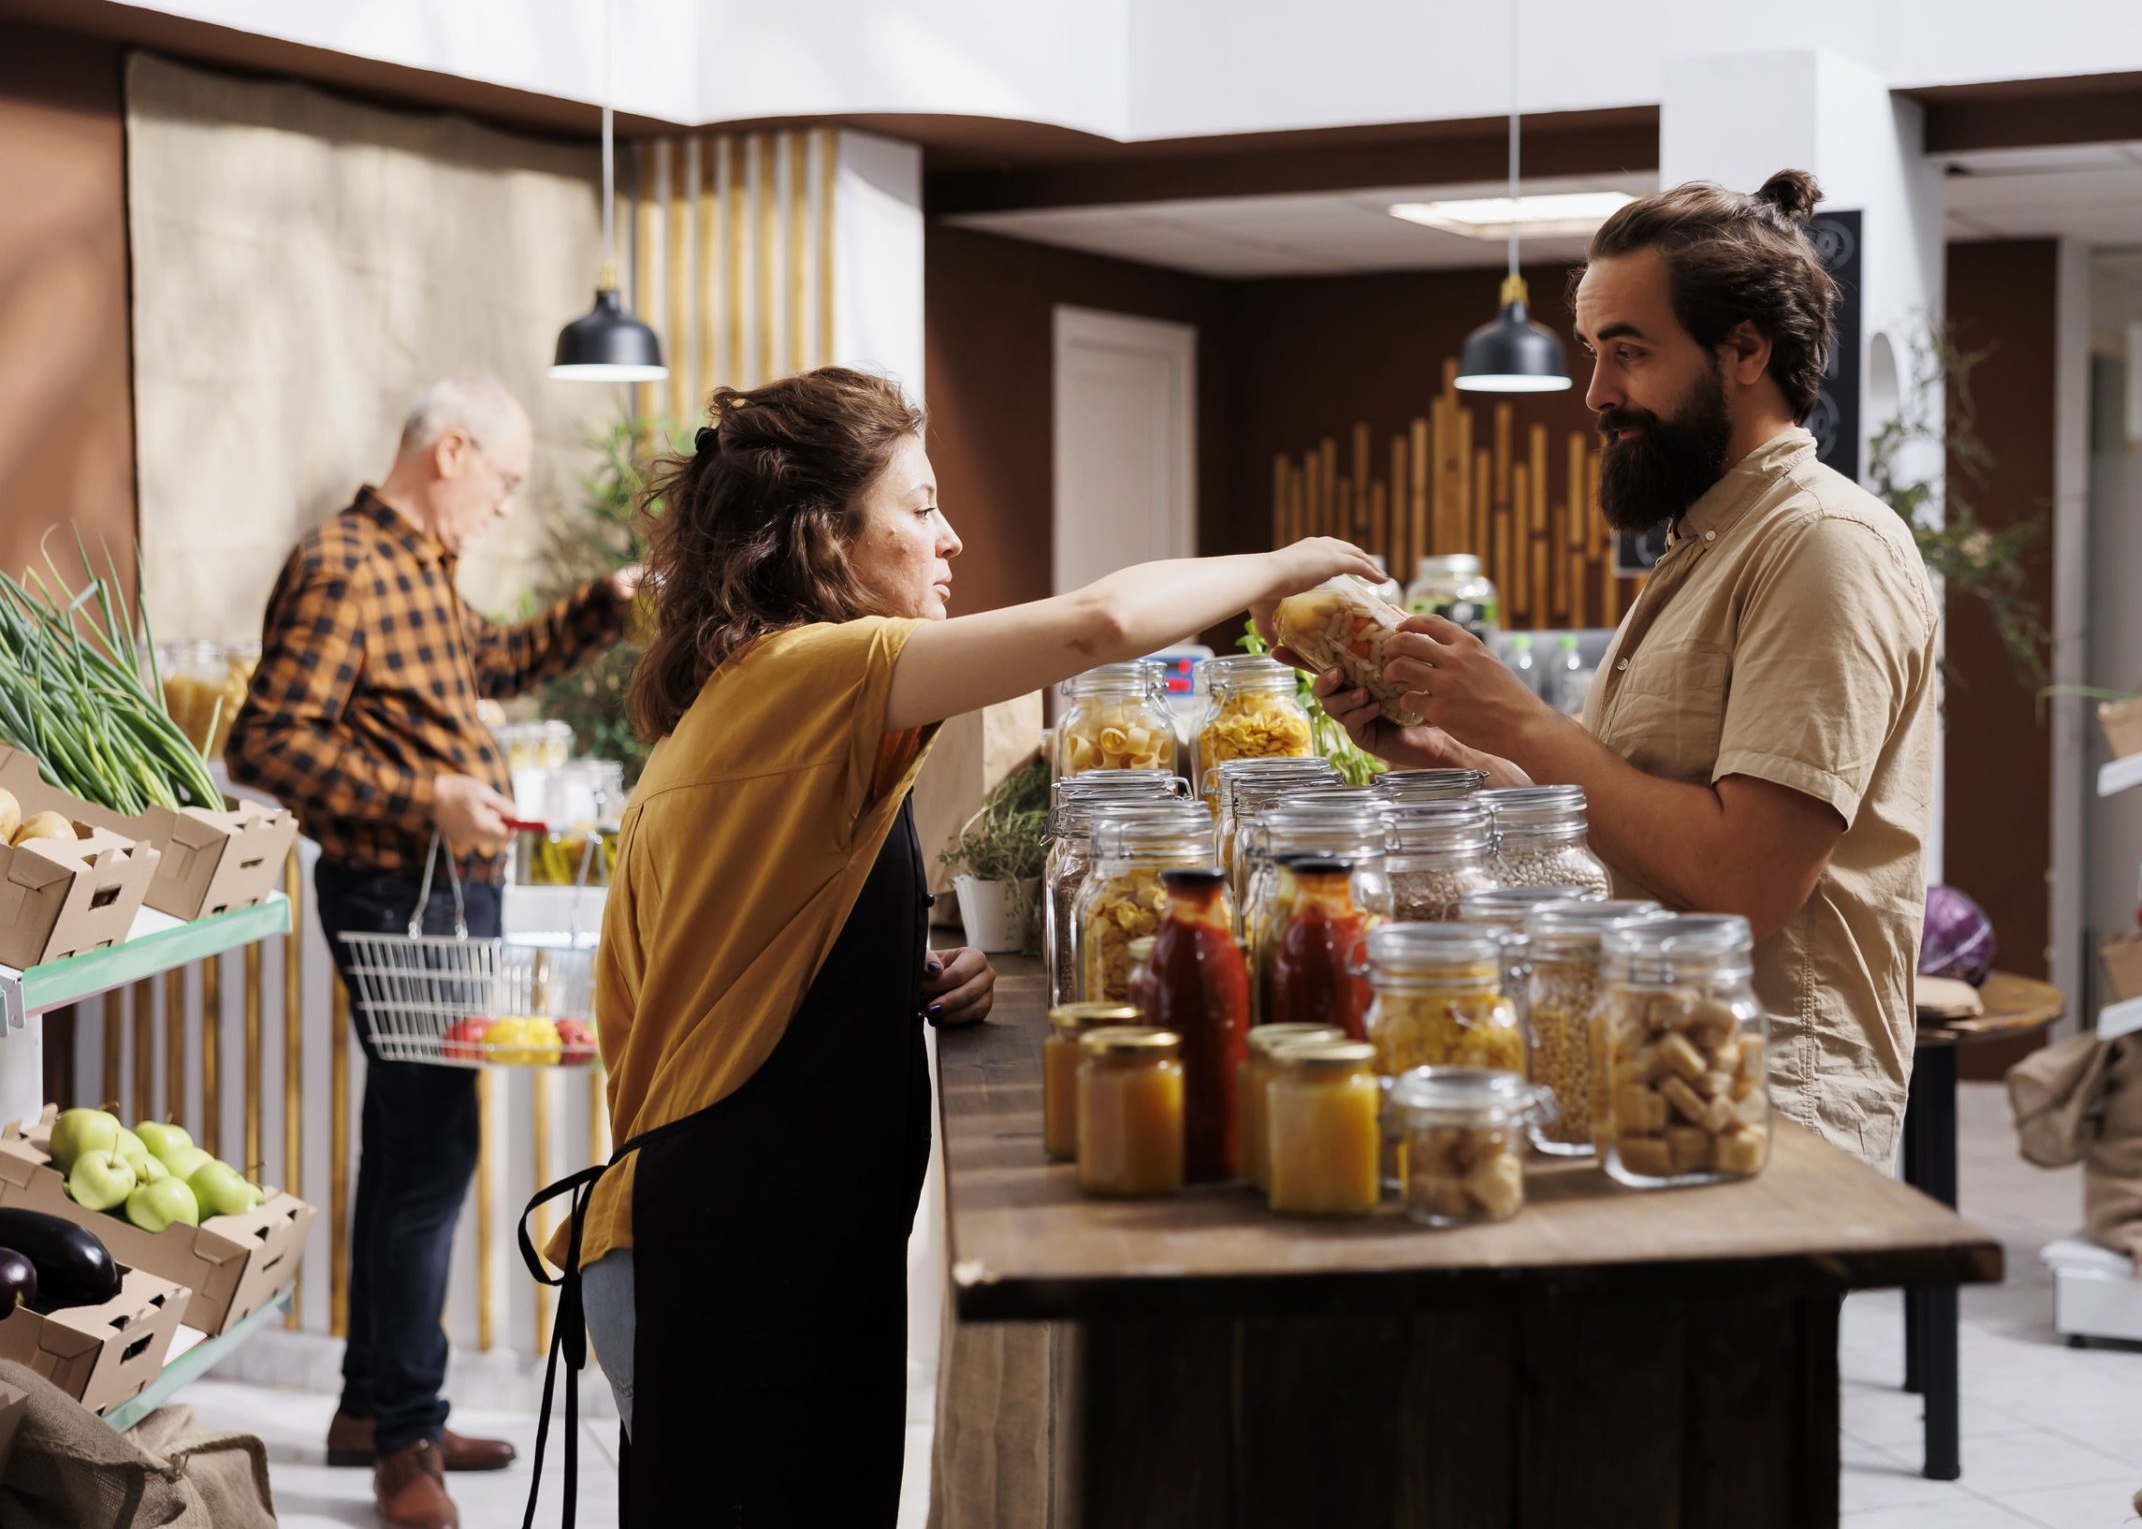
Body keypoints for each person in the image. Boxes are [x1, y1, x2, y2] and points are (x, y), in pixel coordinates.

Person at [520, 366, 1377, 1528]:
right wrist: (1282, 569)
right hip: (731, 1251)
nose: (951, 537)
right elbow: (1100, 627)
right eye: (918, 509)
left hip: (782, 1238)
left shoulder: (770, 692)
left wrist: (898, 978)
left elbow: (752, 948)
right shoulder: (805, 674)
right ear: (826, 537)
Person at [1283, 171, 1938, 1173]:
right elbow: (1630, 829)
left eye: (1628, 354)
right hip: (1642, 1067)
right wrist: (1443, 758)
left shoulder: (1821, 546)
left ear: (1746, 352)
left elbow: (1739, 882)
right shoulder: (1707, 544)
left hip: (1760, 1099)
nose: (1596, 395)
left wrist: (1524, 725)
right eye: (1594, 355)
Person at [228, 374, 639, 1529]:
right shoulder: (343, 562)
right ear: (451, 451)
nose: (506, 504)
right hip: (395, 889)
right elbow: (270, 740)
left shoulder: (420, 569)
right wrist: (431, 800)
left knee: (419, 1147)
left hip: (446, 890)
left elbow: (491, 665)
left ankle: (376, 1402)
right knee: (425, 1154)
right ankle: (404, 1442)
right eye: (504, 480)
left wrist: (605, 601)